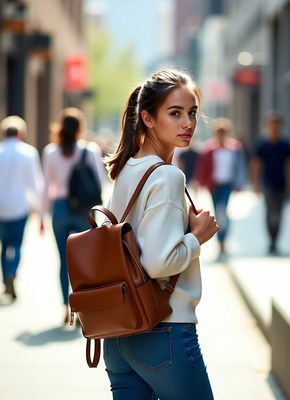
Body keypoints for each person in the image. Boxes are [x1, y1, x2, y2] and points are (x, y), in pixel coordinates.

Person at [103, 69, 219, 399]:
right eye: (175, 113)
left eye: (192, 113)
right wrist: (197, 238)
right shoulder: (167, 176)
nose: (188, 124)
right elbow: (158, 263)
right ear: (148, 118)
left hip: (119, 333)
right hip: (164, 330)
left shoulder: (127, 168)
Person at [40, 107, 107, 324]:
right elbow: (100, 182)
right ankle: (83, 308)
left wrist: (41, 216)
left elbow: (46, 186)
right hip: (83, 210)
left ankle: (65, 307)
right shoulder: (89, 150)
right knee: (84, 262)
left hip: (59, 209)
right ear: (80, 128)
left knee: (63, 261)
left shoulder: (51, 152)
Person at [0, 115, 44, 300]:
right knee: (17, 244)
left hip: (0, 206)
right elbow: (35, 183)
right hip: (19, 206)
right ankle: (12, 273)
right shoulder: (29, 153)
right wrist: (39, 208)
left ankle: (4, 279)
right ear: (21, 133)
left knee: (3, 245)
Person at [195, 117, 247, 258]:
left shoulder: (235, 148)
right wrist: (199, 184)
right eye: (219, 132)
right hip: (214, 185)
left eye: (223, 132)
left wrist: (240, 182)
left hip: (227, 185)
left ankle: (223, 241)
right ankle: (220, 242)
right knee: (218, 213)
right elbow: (203, 168)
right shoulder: (209, 149)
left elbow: (240, 166)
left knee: (223, 211)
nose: (221, 135)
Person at [250, 111, 290, 254]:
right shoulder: (262, 144)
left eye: (277, 125)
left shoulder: (285, 144)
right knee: (271, 213)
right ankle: (271, 240)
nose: (274, 127)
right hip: (268, 183)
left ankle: (275, 241)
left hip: (281, 183)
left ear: (280, 126)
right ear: (268, 126)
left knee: (279, 213)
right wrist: (256, 184)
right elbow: (256, 165)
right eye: (272, 124)